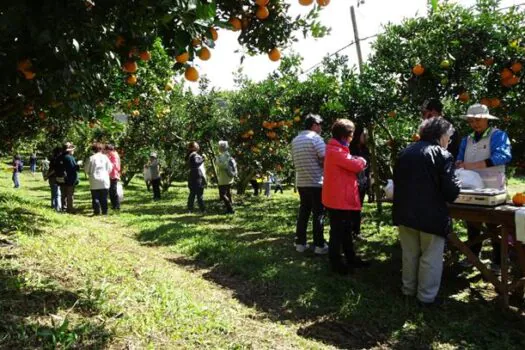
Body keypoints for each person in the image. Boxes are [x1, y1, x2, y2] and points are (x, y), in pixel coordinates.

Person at [393, 117, 460, 306]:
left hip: (405, 212)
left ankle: (408, 290)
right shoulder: (442, 155)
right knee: (430, 257)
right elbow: (450, 191)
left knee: (410, 253)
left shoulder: (405, 152)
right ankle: (426, 297)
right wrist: (458, 185)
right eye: (448, 136)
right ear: (440, 136)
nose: (449, 140)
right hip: (431, 215)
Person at [456, 103, 512, 273]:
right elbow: (459, 159)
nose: (475, 124)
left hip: (493, 187)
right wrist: (459, 164)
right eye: (471, 121)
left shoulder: (497, 135)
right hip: (472, 189)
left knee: (494, 225)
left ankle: (498, 260)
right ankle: (472, 256)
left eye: (478, 120)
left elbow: (503, 156)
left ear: (486, 120)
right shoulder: (467, 139)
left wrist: (473, 165)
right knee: (472, 223)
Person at [322, 119, 369, 274]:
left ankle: (350, 258)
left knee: (345, 229)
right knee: (337, 232)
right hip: (337, 200)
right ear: (344, 136)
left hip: (340, 199)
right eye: (351, 135)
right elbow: (355, 165)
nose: (352, 138)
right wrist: (361, 159)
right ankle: (336, 264)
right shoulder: (335, 151)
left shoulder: (339, 149)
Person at [291, 113, 328, 254]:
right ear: (314, 125)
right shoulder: (316, 139)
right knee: (318, 213)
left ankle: (300, 243)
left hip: (302, 182)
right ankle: (319, 245)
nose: (321, 127)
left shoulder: (296, 140)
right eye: (320, 124)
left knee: (304, 212)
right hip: (316, 182)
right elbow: (325, 159)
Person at [349, 126, 371, 238]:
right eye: (364, 135)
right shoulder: (350, 149)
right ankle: (351, 231)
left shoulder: (365, 149)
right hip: (353, 183)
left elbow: (368, 166)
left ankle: (356, 231)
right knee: (351, 208)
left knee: (358, 208)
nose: (366, 137)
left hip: (362, 183)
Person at [85, 143, 113, 215]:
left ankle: (96, 211)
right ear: (101, 149)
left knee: (95, 197)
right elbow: (110, 168)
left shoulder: (91, 158)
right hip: (104, 180)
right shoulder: (105, 157)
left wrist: (89, 173)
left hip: (94, 180)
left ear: (93, 150)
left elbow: (86, 169)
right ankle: (105, 211)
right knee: (104, 197)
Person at [56, 142, 80, 213]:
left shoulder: (59, 157)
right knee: (70, 194)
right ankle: (70, 208)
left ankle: (63, 207)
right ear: (69, 150)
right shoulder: (70, 158)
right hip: (69, 179)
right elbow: (74, 168)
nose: (73, 151)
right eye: (72, 149)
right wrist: (78, 165)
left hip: (60, 179)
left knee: (63, 194)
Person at [215, 140, 235, 214]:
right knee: (228, 193)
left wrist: (217, 161)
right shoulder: (229, 155)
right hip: (229, 177)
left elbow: (223, 165)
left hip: (224, 178)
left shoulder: (222, 156)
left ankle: (230, 208)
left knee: (222, 194)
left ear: (221, 148)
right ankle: (229, 208)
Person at [187, 142, 206, 212]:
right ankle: (202, 209)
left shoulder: (190, 155)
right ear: (192, 148)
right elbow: (196, 163)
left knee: (192, 193)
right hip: (197, 176)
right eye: (196, 145)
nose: (198, 146)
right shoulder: (193, 155)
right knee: (199, 194)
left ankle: (190, 209)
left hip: (193, 176)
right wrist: (203, 159)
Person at [44, 147, 63, 212]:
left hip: (51, 177)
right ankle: (58, 207)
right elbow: (54, 169)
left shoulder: (53, 159)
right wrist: (47, 176)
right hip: (55, 177)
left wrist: (47, 176)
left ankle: (53, 205)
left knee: (53, 192)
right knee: (57, 193)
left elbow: (51, 169)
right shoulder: (58, 160)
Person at [105, 144, 121, 210]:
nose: (106, 152)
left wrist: (108, 164)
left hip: (113, 175)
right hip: (110, 175)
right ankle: (114, 205)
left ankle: (117, 206)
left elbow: (116, 165)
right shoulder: (111, 155)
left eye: (107, 150)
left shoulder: (114, 155)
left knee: (113, 191)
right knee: (111, 191)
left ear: (109, 150)